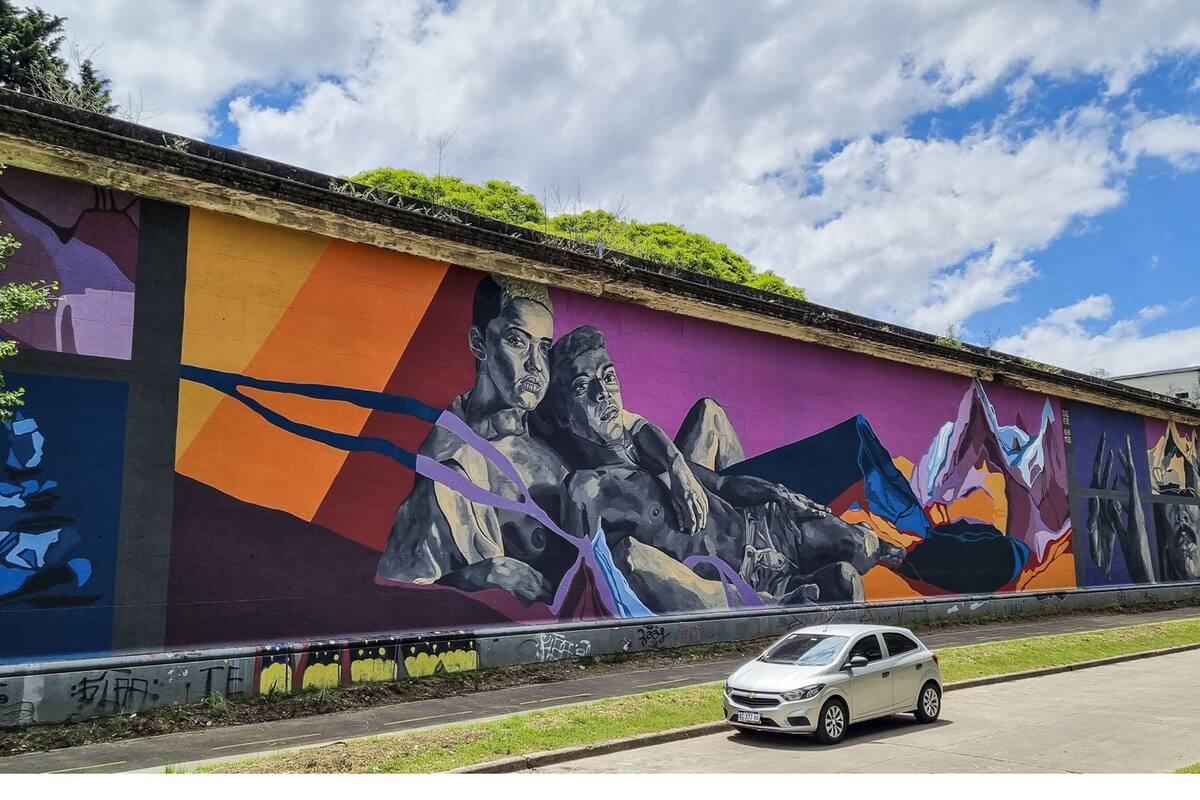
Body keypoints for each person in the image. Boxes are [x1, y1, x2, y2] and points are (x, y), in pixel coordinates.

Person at [376, 276, 710, 605]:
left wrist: (676, 464)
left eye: (544, 347)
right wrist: (484, 574)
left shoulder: (545, 414)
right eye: (518, 341)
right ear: (479, 344)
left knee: (710, 420)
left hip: (682, 554)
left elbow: (627, 422)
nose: (536, 365)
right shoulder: (450, 471)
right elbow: (398, 592)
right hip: (593, 617)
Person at [539, 325, 905, 610]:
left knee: (860, 545)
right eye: (583, 387)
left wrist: (776, 494)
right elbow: (581, 582)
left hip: (761, 529)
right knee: (843, 581)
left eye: (608, 378)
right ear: (562, 413)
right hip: (741, 577)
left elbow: (723, 485)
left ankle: (887, 550)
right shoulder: (589, 489)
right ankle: (774, 602)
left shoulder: (646, 449)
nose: (603, 394)